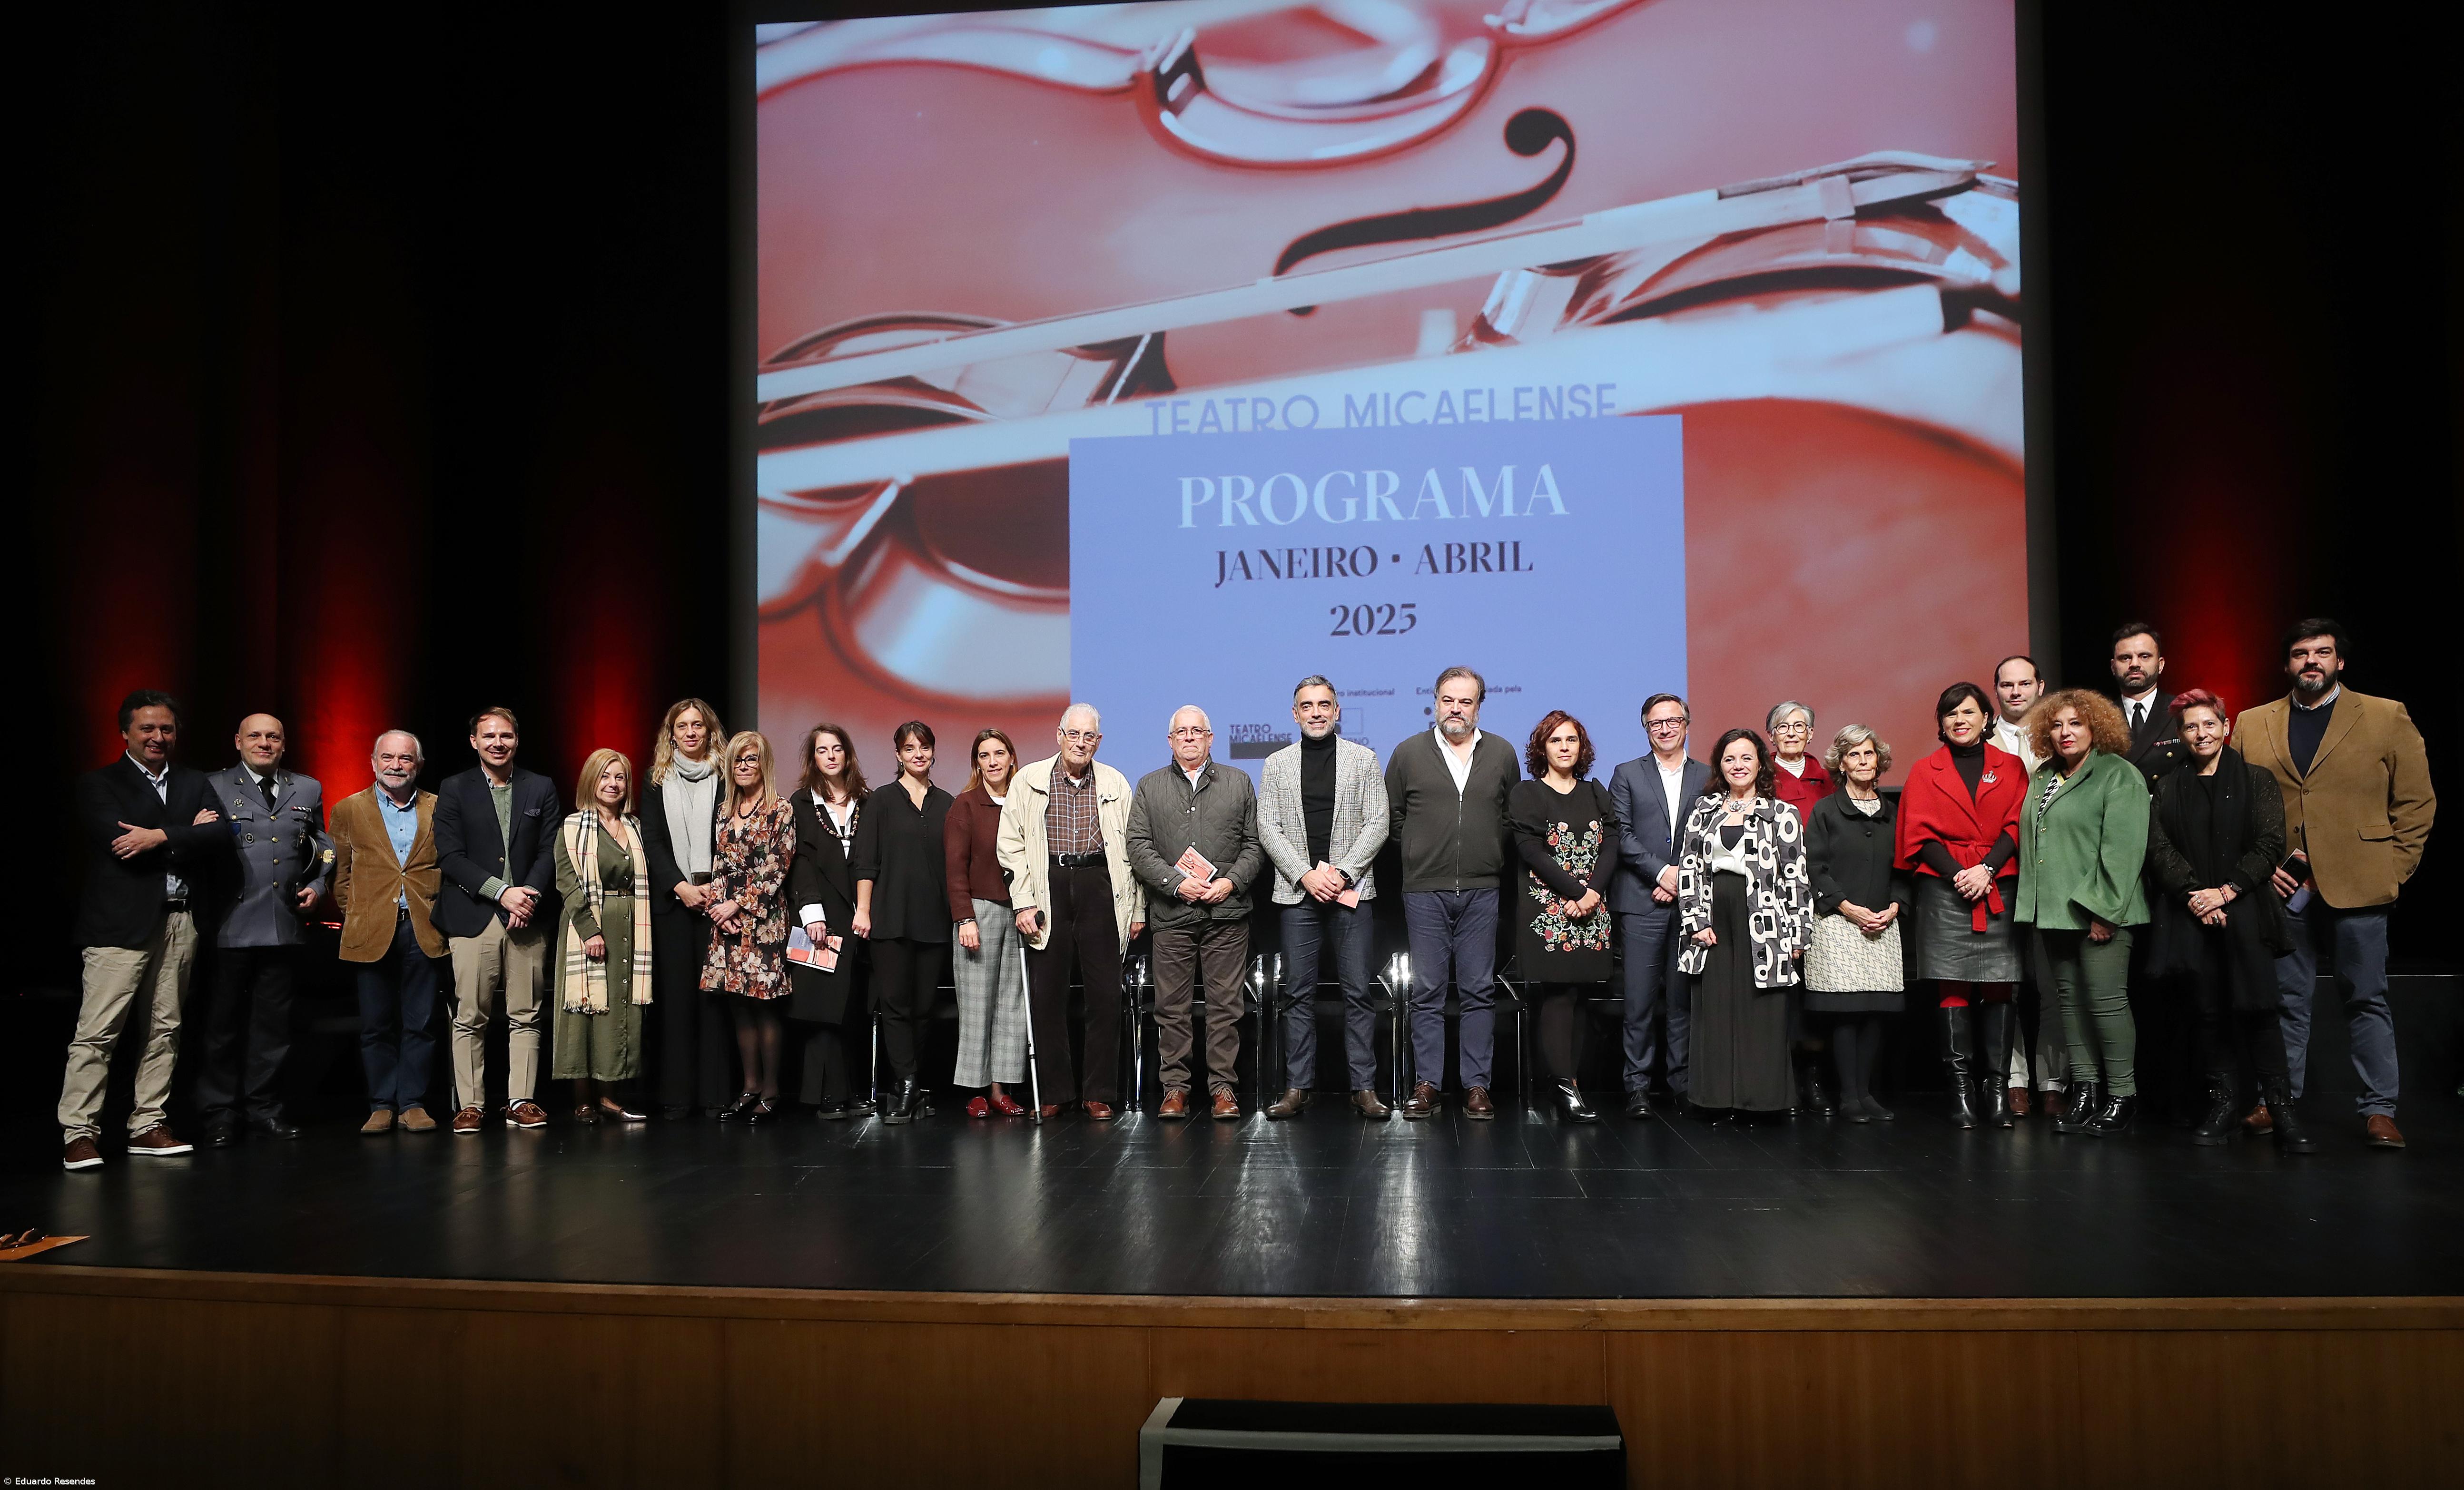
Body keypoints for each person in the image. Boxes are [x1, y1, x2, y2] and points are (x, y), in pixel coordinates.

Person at [2236, 619, 2436, 1149]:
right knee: (2284, 1000)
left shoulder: (2384, 715)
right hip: (2285, 887)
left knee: (2367, 997)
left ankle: (2380, 1110)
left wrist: (2394, 869)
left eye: (2323, 653)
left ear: (2340, 662)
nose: (2312, 662)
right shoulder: (2253, 722)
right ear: (2287, 665)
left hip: (2361, 880)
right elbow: (2240, 807)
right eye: (2301, 653)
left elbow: (2417, 803)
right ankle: (2277, 1100)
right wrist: (2258, 869)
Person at [60, 691, 225, 1170]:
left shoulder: (195, 781)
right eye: (147, 729)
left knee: (165, 1029)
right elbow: (119, 842)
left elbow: (219, 835)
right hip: (118, 923)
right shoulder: (100, 783)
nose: (158, 737)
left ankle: (148, 1123)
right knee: (97, 1034)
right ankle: (78, 1132)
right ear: (126, 733)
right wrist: (184, 832)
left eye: (167, 729)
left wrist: (158, 835)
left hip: (180, 920)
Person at [2143, 690, 2312, 1152]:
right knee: (2208, 1013)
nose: (2201, 734)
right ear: (2180, 736)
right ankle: (2224, 1106)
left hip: (2246, 912)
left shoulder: (2257, 780)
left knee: (2259, 1011)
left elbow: (2269, 844)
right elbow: (2159, 849)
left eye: (2209, 725)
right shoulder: (2169, 786)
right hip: (2192, 915)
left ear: (2226, 727)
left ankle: (2283, 1111)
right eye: (2191, 727)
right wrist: (2197, 896)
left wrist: (2228, 891)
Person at [2013, 688, 2152, 1138]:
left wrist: (2105, 911)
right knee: (2069, 1004)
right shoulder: (2045, 776)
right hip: (2054, 912)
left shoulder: (2119, 775)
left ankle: (2122, 1096)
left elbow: (2124, 850)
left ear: (2097, 728)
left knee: (2107, 1004)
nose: (2065, 732)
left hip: (2101, 913)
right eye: (2057, 725)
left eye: (2075, 723)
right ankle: (2087, 1091)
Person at [997, 705, 1146, 1119]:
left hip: (1100, 887)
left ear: (1098, 741)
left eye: (1089, 737)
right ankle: (1055, 1092)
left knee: (1104, 998)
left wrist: (1137, 908)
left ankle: (1098, 1092)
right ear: (1059, 735)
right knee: (1048, 999)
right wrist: (1024, 901)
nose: (1081, 743)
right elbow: (1010, 844)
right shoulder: (1029, 778)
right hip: (1049, 888)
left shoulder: (1115, 781)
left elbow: (1133, 852)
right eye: (1074, 735)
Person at [1385, 666, 1521, 1120]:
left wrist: (1484, 856)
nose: (1456, 709)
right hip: (1424, 889)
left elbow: (1508, 818)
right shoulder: (1408, 753)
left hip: (1483, 889)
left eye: (1465, 701)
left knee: (1479, 990)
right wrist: (1425, 852)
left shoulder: (1501, 753)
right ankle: (1428, 1084)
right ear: (1435, 703)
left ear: (1479, 706)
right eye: (1448, 700)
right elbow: (1394, 818)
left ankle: (1476, 1086)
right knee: (1427, 991)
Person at [1893, 682, 2026, 1128]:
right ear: (1941, 724)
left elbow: (2017, 824)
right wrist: (1958, 873)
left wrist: (1986, 869)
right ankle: (1962, 1094)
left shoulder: (2011, 767)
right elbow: (1917, 835)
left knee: (2001, 984)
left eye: (1968, 712)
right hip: (1945, 888)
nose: (1960, 721)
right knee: (1951, 985)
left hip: (1998, 883)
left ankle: (1997, 1093)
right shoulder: (1923, 770)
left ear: (1987, 718)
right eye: (1950, 715)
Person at [1256, 676, 1390, 1120]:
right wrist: (1305, 875)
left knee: (1358, 993)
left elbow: (1378, 824)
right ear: (1295, 714)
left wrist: (1343, 873)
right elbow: (1268, 829)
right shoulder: (1275, 765)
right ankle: (1298, 1087)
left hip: (1351, 892)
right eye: (1307, 706)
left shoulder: (1364, 760)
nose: (1316, 712)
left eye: (1324, 705)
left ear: (1337, 712)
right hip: (1298, 895)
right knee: (1297, 994)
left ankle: (1364, 1088)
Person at [197, 713, 331, 1144]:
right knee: (222, 1026)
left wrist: (318, 883)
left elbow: (323, 845)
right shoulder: (213, 786)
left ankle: (264, 1109)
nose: (264, 743)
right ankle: (219, 1113)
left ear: (284, 743)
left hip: (283, 924)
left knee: (272, 1028)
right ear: (238, 742)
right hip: (229, 924)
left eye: (273, 737)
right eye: (255, 736)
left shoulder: (307, 788)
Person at [1127, 706, 1264, 1120]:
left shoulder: (1239, 782)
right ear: (1170, 741)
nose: (1189, 737)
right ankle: (1175, 1089)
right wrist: (1175, 883)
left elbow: (1255, 844)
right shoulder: (1150, 787)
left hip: (1227, 914)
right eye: (1181, 732)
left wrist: (1231, 883)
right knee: (1172, 1007)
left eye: (1197, 731)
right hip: (1172, 914)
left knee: (1226, 1006)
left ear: (1210, 738)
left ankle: (1223, 1088)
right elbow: (1137, 846)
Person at [433, 707, 562, 1134]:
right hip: (474, 916)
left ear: (516, 740)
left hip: (527, 915)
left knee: (526, 1012)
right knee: (471, 1014)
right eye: (489, 736)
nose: (497, 743)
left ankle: (521, 1100)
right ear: (474, 741)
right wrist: (501, 892)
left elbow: (549, 851)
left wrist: (527, 896)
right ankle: (471, 1105)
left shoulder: (540, 787)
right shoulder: (454, 789)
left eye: (505, 735)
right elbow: (450, 856)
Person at [1676, 729, 1812, 1117]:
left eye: (1746, 758)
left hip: (1767, 919)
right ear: (1720, 765)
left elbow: (1796, 876)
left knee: (1763, 1009)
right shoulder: (1703, 810)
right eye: (1730, 759)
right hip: (1713, 916)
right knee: (1714, 1008)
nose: (1738, 766)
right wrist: (1696, 920)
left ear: (1760, 764)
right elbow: (1691, 867)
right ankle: (1715, 1100)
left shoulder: (1782, 813)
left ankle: (1762, 1101)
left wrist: (1799, 934)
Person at [331, 730, 446, 1135]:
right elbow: (341, 875)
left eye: (405, 759)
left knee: (422, 1021)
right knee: (376, 1024)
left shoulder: (439, 807)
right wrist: (357, 913)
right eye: (389, 758)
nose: (396, 765)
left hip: (425, 927)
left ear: (419, 765)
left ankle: (412, 1103)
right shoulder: (348, 809)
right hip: (370, 928)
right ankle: (382, 1104)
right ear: (373, 762)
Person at [1508, 712, 1620, 1122]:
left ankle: (1570, 1083)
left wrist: (1593, 893)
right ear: (1542, 748)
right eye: (1556, 741)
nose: (1565, 747)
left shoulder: (1595, 791)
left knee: (1581, 997)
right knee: (1558, 994)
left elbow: (1611, 844)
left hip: (1593, 909)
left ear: (1582, 747)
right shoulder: (1527, 793)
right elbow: (1531, 851)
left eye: (1571, 740)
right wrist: (1577, 893)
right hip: (1549, 911)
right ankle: (1563, 1086)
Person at [1607, 693, 1711, 1118]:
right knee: (1639, 1002)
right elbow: (1621, 834)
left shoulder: (1708, 775)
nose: (1665, 729)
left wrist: (1679, 876)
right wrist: (1661, 873)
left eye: (1673, 721)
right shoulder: (1627, 773)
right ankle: (1638, 1088)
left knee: (1683, 1000)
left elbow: (1711, 835)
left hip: (1692, 904)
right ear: (1645, 728)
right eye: (1656, 723)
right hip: (1641, 901)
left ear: (1687, 724)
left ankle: (1682, 1084)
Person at [1802, 725, 1911, 1122]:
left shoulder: (1893, 813)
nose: (1863, 762)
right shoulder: (1826, 811)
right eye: (1854, 755)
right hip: (1838, 923)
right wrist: (1847, 908)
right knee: (1846, 1013)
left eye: (1869, 755)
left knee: (1875, 1012)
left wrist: (1896, 906)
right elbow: (1815, 867)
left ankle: (1866, 1095)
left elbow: (1904, 868)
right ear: (1841, 763)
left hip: (1883, 924)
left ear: (1878, 761)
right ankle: (1849, 1096)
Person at [853, 721, 956, 1124]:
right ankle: (909, 1084)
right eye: (910, 748)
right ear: (897, 755)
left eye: (925, 748)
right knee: (895, 1006)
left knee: (924, 1008)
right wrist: (864, 910)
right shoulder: (881, 800)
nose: (918, 754)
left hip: (933, 920)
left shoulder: (947, 803)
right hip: (890, 919)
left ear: (933, 752)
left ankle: (908, 1085)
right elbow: (866, 862)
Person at [640, 698, 734, 1120]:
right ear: (672, 734)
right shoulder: (655, 780)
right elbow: (653, 842)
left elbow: (737, 839)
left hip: (720, 903)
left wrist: (717, 888)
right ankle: (677, 1096)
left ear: (710, 731)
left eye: (699, 725)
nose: (691, 733)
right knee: (676, 1003)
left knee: (715, 1002)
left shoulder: (729, 777)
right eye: (683, 726)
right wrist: (680, 887)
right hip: (675, 906)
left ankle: (716, 1095)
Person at [552, 749, 654, 1125]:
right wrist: (590, 929)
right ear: (591, 782)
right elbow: (567, 881)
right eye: (605, 777)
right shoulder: (573, 827)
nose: (613, 784)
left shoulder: (636, 827)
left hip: (631, 924)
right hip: (589, 926)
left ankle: (611, 1095)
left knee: (620, 1009)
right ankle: (582, 1098)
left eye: (620, 778)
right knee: (584, 1010)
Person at [703, 731, 797, 1120]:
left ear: (764, 764)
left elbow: (778, 867)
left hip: (764, 920)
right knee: (740, 1006)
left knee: (765, 1006)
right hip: (727, 922)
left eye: (751, 759)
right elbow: (720, 863)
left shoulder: (782, 809)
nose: (744, 766)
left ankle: (772, 1090)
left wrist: (737, 904)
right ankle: (750, 1085)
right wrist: (717, 909)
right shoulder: (725, 809)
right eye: (738, 760)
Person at [1989, 654, 2065, 1117]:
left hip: (2055, 877)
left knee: (2054, 984)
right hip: (2001, 878)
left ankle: (2053, 1080)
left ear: (2041, 685)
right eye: (2006, 685)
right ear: (1995, 690)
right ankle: (2015, 1079)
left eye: (2024, 683)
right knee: (2007, 984)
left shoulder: (2063, 735)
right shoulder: (1980, 741)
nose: (2015, 692)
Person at [787, 724, 873, 1117]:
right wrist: (812, 914)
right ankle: (824, 1097)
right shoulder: (802, 804)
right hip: (819, 919)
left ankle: (851, 1093)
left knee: (852, 1009)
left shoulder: (867, 802)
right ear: (814, 758)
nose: (832, 756)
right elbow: (801, 864)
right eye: (824, 750)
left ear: (848, 754)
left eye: (838, 749)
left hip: (859, 920)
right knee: (821, 1010)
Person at [946, 728, 1030, 1118]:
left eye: (1000, 753)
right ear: (977, 763)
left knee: (1012, 1005)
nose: (993, 761)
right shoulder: (966, 805)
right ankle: (976, 1090)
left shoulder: (1027, 801)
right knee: (978, 1004)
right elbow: (955, 869)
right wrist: (964, 916)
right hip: (978, 912)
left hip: (1021, 912)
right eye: (984, 755)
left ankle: (1001, 1089)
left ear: (1012, 757)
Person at [1766, 701, 1833, 816]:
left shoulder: (1829, 780)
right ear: (1771, 736)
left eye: (1799, 726)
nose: (1791, 733)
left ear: (1810, 734)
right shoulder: (1762, 778)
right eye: (1783, 727)